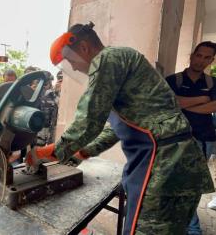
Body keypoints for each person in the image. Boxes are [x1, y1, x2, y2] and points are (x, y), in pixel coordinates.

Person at [25, 22, 214, 234]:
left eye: (70, 61)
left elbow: (89, 119)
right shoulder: (124, 66)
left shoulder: (108, 58)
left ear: (84, 48)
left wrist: (50, 152)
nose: (75, 68)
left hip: (163, 165)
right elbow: (118, 127)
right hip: (180, 164)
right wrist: (83, 152)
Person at [165, 41, 216, 235]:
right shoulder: (173, 80)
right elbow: (170, 104)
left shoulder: (212, 83)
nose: (201, 60)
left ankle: (192, 229)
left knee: (191, 186)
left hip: (203, 140)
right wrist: (202, 99)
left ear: (212, 60)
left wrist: (183, 104)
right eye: (199, 55)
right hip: (175, 139)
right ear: (192, 55)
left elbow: (214, 107)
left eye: (207, 57)